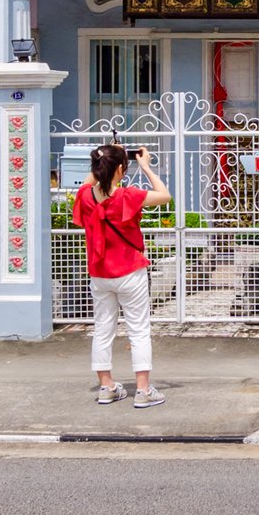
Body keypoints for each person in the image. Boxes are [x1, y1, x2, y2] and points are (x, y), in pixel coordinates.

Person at [74, 142, 171, 407]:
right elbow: (164, 195)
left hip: (100, 274)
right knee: (138, 330)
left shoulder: (85, 196)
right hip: (129, 272)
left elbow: (90, 180)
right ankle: (143, 391)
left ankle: (106, 386)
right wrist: (145, 166)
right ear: (120, 169)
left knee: (103, 329)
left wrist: (105, 157)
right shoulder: (128, 195)